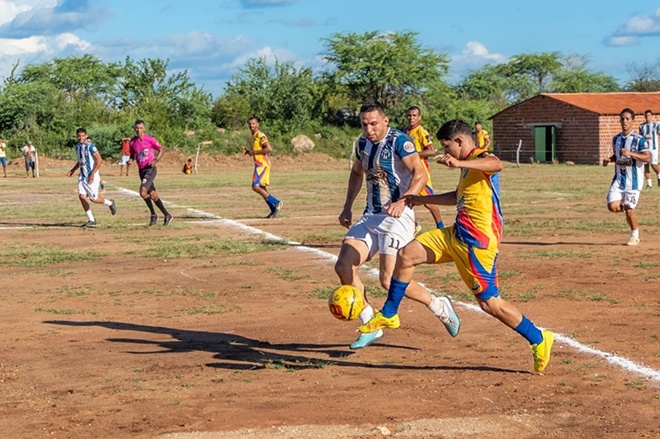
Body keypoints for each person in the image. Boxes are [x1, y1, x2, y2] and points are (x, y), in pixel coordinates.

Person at [360, 119, 554, 373]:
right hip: (456, 234)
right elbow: (457, 196)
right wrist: (419, 199)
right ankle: (389, 313)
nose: (445, 152)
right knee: (406, 254)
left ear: (460, 141)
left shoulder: (480, 158)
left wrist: (460, 163)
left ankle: (539, 338)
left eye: (447, 146)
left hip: (476, 244)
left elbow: (497, 164)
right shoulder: (468, 166)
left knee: (490, 303)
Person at [336, 102, 460, 350]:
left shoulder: (399, 141)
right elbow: (357, 173)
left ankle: (439, 306)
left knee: (388, 280)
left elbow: (420, 174)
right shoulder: (362, 144)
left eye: (373, 123)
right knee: (343, 266)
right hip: (371, 216)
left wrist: (403, 201)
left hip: (397, 218)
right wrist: (347, 206)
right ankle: (371, 322)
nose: (369, 129)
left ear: (385, 121)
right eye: (364, 124)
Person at [602, 108, 650, 246]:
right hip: (619, 180)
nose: (624, 121)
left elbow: (647, 157)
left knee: (629, 210)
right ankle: (627, 206)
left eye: (627, 119)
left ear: (632, 121)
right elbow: (617, 155)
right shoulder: (616, 139)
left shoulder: (639, 139)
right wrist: (609, 160)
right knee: (612, 206)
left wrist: (631, 154)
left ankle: (634, 235)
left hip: (633, 182)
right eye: (622, 119)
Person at [404, 106, 444, 232]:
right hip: (408, 172)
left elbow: (431, 151)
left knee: (429, 202)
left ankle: (440, 228)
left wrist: (414, 155)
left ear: (419, 117)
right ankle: (414, 226)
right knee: (404, 199)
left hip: (421, 173)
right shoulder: (404, 131)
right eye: (409, 115)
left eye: (414, 115)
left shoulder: (421, 132)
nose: (411, 118)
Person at [67, 128, 117, 227]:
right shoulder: (77, 147)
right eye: (79, 136)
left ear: (86, 136)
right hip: (82, 176)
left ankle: (110, 203)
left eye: (83, 136)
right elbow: (80, 161)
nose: (81, 138)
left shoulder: (90, 146)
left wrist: (92, 174)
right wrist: (73, 170)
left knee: (94, 199)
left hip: (91, 176)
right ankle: (91, 220)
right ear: (77, 136)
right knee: (82, 196)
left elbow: (99, 160)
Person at [129, 120, 173, 226]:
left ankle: (153, 214)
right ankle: (167, 215)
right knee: (153, 195)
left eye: (140, 128)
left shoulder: (150, 139)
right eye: (136, 128)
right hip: (141, 170)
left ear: (144, 129)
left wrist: (156, 160)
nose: (138, 130)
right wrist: (131, 159)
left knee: (143, 192)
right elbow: (133, 154)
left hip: (150, 169)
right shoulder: (133, 142)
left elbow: (161, 149)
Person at [244, 116, 283, 218]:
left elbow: (268, 149)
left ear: (257, 124)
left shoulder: (260, 135)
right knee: (262, 188)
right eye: (250, 124)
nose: (251, 125)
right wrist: (248, 152)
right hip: (259, 163)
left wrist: (254, 152)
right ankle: (273, 210)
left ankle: (276, 202)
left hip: (262, 164)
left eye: (253, 123)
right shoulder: (253, 136)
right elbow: (256, 150)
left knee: (255, 187)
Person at [638, 109, 660, 188]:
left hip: (653, 148)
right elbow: (640, 137)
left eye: (649, 115)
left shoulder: (656, 125)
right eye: (646, 116)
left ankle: (659, 176)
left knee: (654, 164)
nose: (647, 117)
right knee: (645, 165)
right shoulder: (641, 126)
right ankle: (649, 184)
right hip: (645, 149)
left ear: (651, 116)